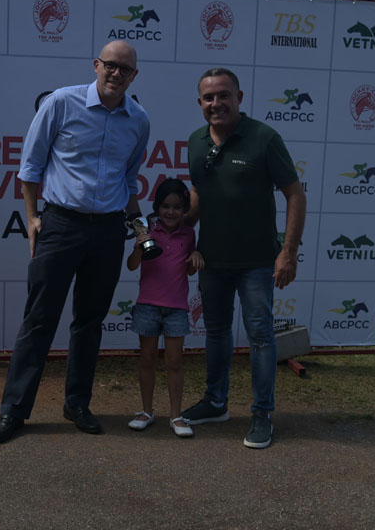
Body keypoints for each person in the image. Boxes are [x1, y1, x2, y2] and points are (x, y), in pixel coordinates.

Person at [0, 40, 150, 445]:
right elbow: (30, 167)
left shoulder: (139, 121)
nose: (116, 74)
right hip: (60, 225)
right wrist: (32, 218)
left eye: (125, 69)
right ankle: (13, 410)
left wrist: (140, 229)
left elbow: (129, 183)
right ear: (96, 65)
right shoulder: (61, 102)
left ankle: (77, 404)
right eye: (110, 65)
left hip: (109, 231)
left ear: (135, 76)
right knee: (39, 319)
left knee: (90, 323)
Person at [182, 68, 306, 449]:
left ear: (239, 97)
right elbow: (200, 193)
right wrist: (176, 230)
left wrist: (288, 252)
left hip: (257, 263)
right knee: (216, 333)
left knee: (261, 337)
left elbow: (295, 194)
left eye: (224, 95)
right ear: (199, 102)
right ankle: (215, 402)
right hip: (212, 262)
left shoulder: (264, 138)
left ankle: (262, 413)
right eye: (208, 97)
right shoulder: (196, 141)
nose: (216, 103)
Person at [125, 178, 204, 438]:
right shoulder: (146, 229)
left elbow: (189, 269)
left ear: (185, 210)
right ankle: (146, 411)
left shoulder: (188, 234)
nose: (171, 212)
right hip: (147, 305)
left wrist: (195, 257)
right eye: (166, 206)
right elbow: (132, 266)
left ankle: (176, 416)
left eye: (177, 207)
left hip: (176, 309)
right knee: (147, 359)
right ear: (157, 207)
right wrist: (140, 246)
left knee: (175, 362)